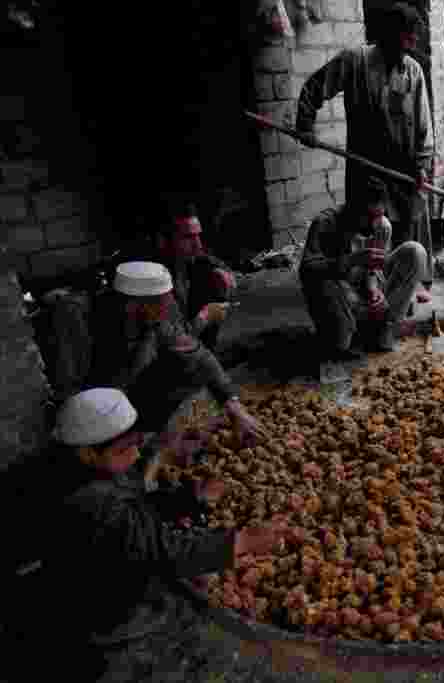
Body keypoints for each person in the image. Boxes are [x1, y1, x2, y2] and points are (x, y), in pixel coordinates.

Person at [2, 388, 286, 682]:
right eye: (127, 449)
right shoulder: (92, 503)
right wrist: (242, 541)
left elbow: (130, 498)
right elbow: (164, 552)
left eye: (137, 443)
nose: (137, 454)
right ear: (88, 452)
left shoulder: (71, 459)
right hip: (81, 597)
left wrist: (188, 499)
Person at [294, 1, 435, 309]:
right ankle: (367, 286)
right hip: (366, 167)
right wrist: (305, 123)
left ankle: (405, 284)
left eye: (414, 39)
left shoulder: (412, 71)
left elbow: (423, 123)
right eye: (408, 38)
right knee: (369, 229)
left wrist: (423, 165)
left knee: (406, 223)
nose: (412, 45)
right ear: (390, 35)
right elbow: (315, 87)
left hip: (405, 168)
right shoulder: (355, 61)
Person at [87, 261, 266, 458]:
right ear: (132, 305)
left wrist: (233, 406)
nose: (168, 308)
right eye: (161, 303)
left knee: (184, 365)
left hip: (133, 397)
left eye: (168, 300)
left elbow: (197, 354)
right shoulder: (91, 324)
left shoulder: (157, 319)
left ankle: (148, 434)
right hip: (98, 410)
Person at [300, 209, 427, 365]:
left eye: (379, 215)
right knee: (341, 342)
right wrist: (352, 260)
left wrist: (373, 289)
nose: (375, 223)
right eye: (370, 217)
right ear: (354, 204)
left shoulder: (381, 225)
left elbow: (373, 271)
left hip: (363, 292)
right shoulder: (326, 223)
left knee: (415, 252)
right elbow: (307, 270)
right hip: (341, 293)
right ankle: (345, 333)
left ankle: (385, 328)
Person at [148, 202, 238, 351]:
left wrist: (223, 274)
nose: (198, 244)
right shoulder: (153, 283)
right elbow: (170, 343)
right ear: (162, 240)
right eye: (188, 237)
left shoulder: (190, 260)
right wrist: (205, 316)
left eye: (198, 235)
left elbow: (210, 261)